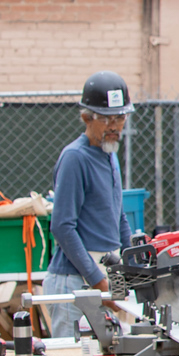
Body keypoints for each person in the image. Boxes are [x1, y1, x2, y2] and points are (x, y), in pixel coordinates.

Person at [43, 72, 135, 338]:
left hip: (101, 277)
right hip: (73, 281)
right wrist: (97, 280)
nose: (114, 126)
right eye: (106, 119)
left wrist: (135, 265)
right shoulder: (75, 158)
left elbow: (119, 218)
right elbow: (62, 227)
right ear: (87, 118)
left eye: (120, 118)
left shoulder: (110, 154)